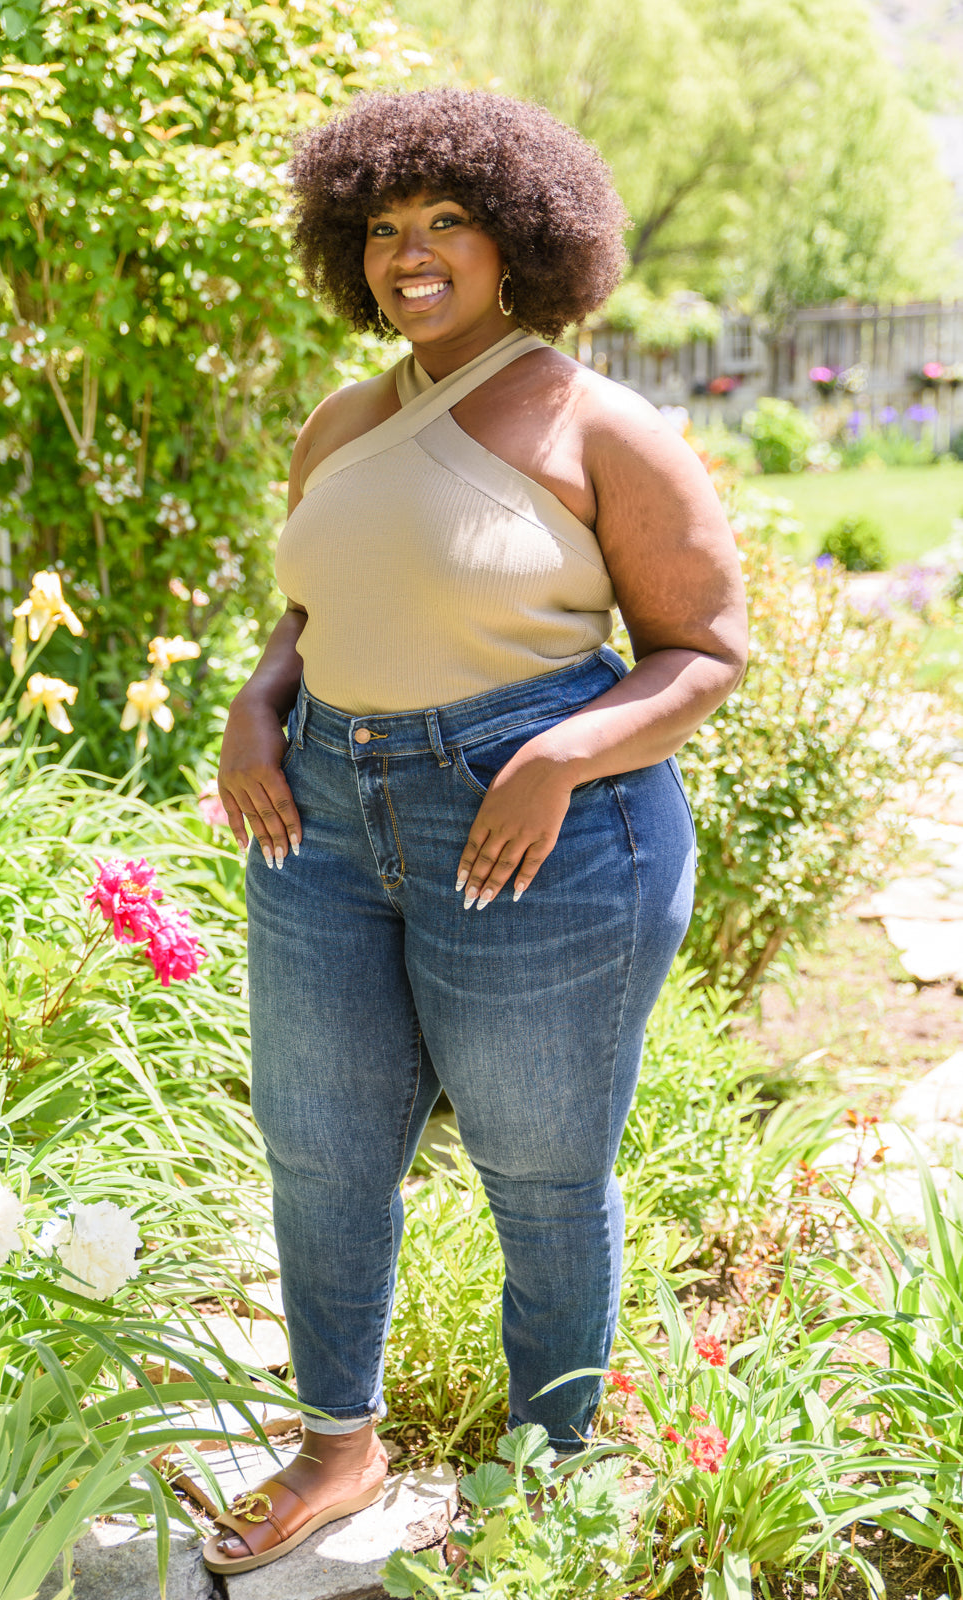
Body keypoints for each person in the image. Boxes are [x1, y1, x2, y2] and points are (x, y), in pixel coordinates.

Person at [205, 87, 747, 1576]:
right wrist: (260, 704)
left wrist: (557, 758)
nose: (411, 252)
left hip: (538, 829)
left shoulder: (599, 423)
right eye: (382, 228)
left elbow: (702, 648)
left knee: (541, 1168)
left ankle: (551, 1485)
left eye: (447, 220)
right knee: (317, 1151)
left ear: (523, 238)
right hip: (321, 820)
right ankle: (335, 1450)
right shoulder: (344, 419)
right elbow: (315, 608)